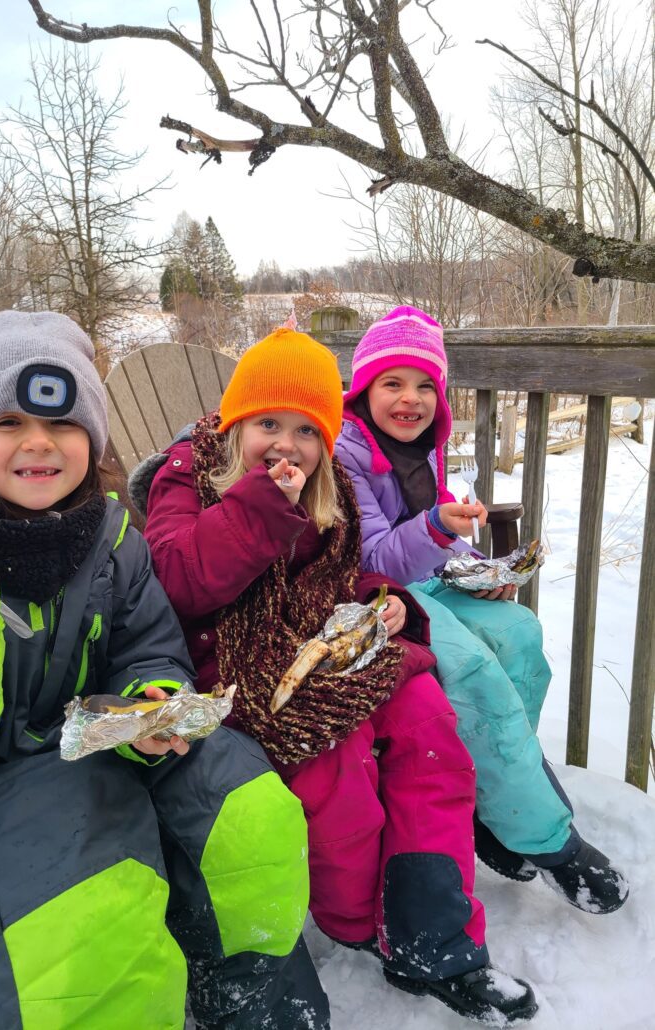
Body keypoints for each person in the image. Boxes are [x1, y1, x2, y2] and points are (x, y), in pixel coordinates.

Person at [0, 311, 329, 1030]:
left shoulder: (113, 539)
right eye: (8, 424)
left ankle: (249, 999)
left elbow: (149, 644)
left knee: (244, 805)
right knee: (91, 906)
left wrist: (153, 702)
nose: (38, 443)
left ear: (91, 439)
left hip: (109, 743)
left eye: (62, 426)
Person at [137, 324, 538, 1026]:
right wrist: (261, 508)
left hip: (331, 647)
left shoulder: (329, 491)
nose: (284, 444)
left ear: (327, 440)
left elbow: (353, 569)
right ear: (234, 426)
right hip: (243, 674)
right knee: (338, 770)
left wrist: (388, 605)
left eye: (305, 430)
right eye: (266, 423)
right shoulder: (188, 477)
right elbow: (177, 581)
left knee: (429, 727)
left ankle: (433, 940)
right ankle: (356, 921)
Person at [335, 305, 629, 913]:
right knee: (471, 669)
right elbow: (378, 555)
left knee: (520, 634)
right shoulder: (347, 454)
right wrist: (440, 528)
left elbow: (440, 529)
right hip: (371, 596)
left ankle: (490, 812)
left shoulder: (424, 446)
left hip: (422, 580)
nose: (409, 399)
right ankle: (547, 839)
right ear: (365, 390)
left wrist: (478, 572)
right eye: (392, 383)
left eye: (424, 386)